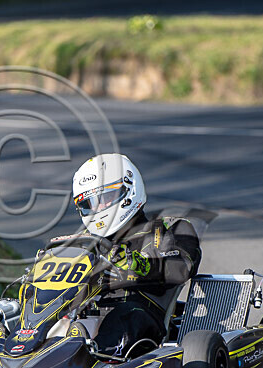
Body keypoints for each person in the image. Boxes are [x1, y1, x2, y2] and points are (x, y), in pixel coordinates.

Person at [71, 153, 202, 357]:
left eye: (106, 198)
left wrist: (138, 264)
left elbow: (181, 267)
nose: (100, 208)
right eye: (91, 203)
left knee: (124, 316)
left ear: (129, 189)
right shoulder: (83, 243)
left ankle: (103, 358)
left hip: (140, 316)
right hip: (84, 318)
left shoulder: (170, 229)